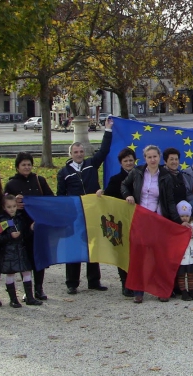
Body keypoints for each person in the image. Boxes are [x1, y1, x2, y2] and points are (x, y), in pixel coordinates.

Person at [57, 117, 113, 295]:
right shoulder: (64, 173)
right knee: (74, 247)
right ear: (71, 154)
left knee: (93, 246)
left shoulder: (91, 165)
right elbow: (60, 195)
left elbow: (104, 151)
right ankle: (72, 283)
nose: (79, 154)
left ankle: (94, 281)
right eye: (76, 152)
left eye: (81, 151)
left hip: (92, 211)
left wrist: (108, 130)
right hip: (75, 213)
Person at [121, 145, 180, 303]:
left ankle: (161, 290)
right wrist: (128, 195)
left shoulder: (166, 176)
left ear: (159, 158)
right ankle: (138, 291)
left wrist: (178, 223)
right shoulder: (137, 172)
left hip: (157, 219)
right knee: (139, 256)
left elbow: (170, 201)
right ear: (144, 158)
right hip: (140, 219)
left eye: (155, 156)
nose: (152, 160)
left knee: (159, 256)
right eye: (149, 157)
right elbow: (124, 185)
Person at [4, 152, 54, 301]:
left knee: (39, 257)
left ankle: (39, 288)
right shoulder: (11, 184)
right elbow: (5, 206)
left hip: (38, 224)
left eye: (29, 164)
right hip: (21, 225)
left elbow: (51, 200)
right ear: (17, 166)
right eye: (23, 165)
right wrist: (14, 202)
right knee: (25, 258)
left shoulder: (40, 180)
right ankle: (28, 291)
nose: (27, 167)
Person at [96, 147, 136, 297]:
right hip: (121, 221)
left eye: (131, 160)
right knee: (122, 252)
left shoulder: (141, 176)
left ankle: (136, 282)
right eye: (125, 161)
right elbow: (108, 197)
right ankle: (125, 283)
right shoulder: (115, 179)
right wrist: (101, 194)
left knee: (137, 252)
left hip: (138, 220)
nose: (128, 163)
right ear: (121, 163)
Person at [0, 195, 42, 308]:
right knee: (10, 274)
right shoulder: (2, 221)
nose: (12, 209)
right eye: (9, 207)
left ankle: (30, 297)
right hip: (9, 252)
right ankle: (13, 300)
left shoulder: (19, 219)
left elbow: (25, 235)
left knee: (27, 272)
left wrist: (31, 229)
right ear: (4, 207)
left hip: (21, 250)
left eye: (14, 206)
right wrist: (9, 236)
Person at [176, 200, 193, 301]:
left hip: (192, 255)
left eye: (186, 216)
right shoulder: (177, 227)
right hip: (182, 255)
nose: (184, 218)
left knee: (191, 274)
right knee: (181, 275)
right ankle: (183, 292)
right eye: (182, 216)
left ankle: (191, 291)